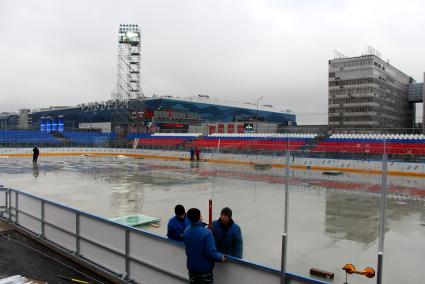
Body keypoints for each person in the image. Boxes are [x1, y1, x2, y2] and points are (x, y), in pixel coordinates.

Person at [184, 208, 225, 284]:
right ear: (200, 217)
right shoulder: (207, 233)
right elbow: (211, 252)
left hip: (192, 270)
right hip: (204, 272)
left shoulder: (186, 231)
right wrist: (221, 257)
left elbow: (187, 250)